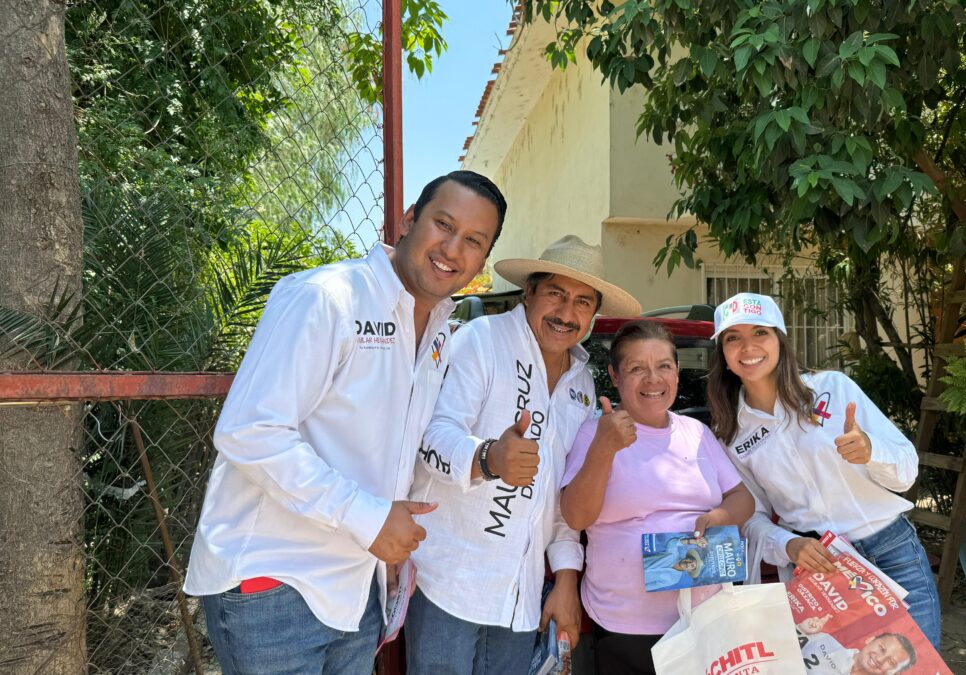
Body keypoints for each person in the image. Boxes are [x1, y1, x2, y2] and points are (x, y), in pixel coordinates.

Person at [182, 171, 506, 674]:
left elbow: (394, 446)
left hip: (359, 589)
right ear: (408, 220)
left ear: (482, 261)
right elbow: (250, 431)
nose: (452, 248)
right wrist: (369, 518)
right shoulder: (328, 296)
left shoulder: (440, 330)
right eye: (443, 224)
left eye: (473, 241)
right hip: (276, 583)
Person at [405, 235, 642, 674]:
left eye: (583, 302)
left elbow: (560, 495)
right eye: (555, 293)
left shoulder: (581, 384)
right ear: (529, 293)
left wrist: (566, 578)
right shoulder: (481, 341)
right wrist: (488, 458)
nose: (566, 313)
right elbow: (431, 439)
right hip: (448, 582)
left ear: (594, 314)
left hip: (521, 594)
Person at [706, 292, 942, 649]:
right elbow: (750, 518)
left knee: (918, 670)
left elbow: (906, 471)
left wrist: (871, 451)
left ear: (780, 340)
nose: (748, 346)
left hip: (892, 554)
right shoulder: (731, 435)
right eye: (732, 338)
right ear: (723, 353)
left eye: (760, 333)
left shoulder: (832, 388)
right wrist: (789, 544)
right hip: (819, 570)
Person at [560, 320, 755, 675]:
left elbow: (742, 497)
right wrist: (605, 448)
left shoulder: (696, 433)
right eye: (637, 369)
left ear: (677, 374)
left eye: (663, 366)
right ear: (615, 377)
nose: (653, 379)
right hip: (626, 628)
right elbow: (575, 517)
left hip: (706, 621)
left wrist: (720, 517)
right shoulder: (594, 432)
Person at [797, 614, 918, 675]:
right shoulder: (825, 641)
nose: (880, 659)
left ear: (895, 673)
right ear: (870, 640)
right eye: (882, 649)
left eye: (891, 662)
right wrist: (802, 630)